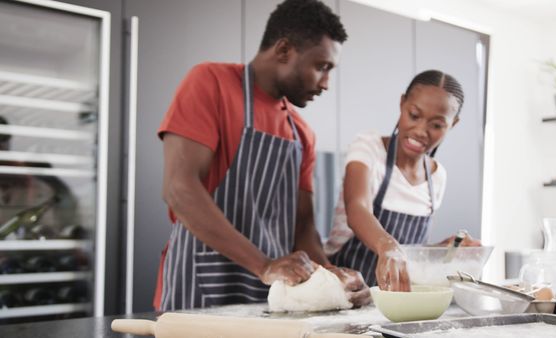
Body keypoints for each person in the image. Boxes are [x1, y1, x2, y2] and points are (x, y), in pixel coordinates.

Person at [154, 0, 369, 310]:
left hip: (273, 292)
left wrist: (333, 279)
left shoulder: (301, 133)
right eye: (321, 66)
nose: (326, 83)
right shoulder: (210, 83)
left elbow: (303, 229)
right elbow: (179, 189)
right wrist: (265, 265)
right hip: (201, 283)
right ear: (283, 50)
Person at [324, 70, 479, 292]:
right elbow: (357, 210)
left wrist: (442, 250)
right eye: (414, 115)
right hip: (344, 293)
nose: (421, 131)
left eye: (436, 125)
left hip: (396, 302)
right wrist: (387, 247)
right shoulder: (368, 148)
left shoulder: (437, 178)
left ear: (453, 124)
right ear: (402, 103)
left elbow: (409, 254)